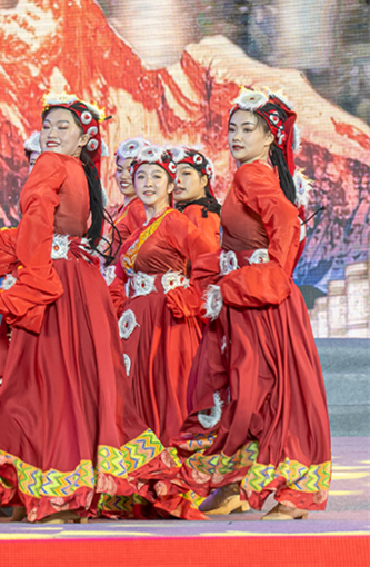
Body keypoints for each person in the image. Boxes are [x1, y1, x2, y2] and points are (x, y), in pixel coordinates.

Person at [0, 94, 178, 524]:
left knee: (42, 382)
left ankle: (53, 489)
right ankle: (65, 487)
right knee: (78, 382)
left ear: (84, 137)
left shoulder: (51, 164)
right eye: (47, 125)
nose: (51, 133)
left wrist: (32, 279)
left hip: (55, 282)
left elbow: (35, 222)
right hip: (81, 284)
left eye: (63, 126)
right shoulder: (81, 171)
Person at [180, 90, 330, 521]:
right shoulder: (256, 174)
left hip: (259, 302)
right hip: (246, 299)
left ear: (269, 138)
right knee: (242, 392)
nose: (236, 136)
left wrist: (271, 276)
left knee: (265, 394)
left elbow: (286, 223)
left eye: (248, 129)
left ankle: (290, 492)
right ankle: (234, 486)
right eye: (232, 128)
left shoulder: (251, 175)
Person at [110, 146, 215, 450]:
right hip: (138, 323)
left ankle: (173, 465)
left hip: (167, 321)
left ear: (171, 185)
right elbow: (120, 276)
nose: (148, 183)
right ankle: (146, 462)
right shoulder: (138, 232)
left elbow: (210, 258)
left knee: (168, 389)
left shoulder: (174, 222)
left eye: (156, 176)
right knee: (137, 390)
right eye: (141, 176)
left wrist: (190, 298)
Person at [171, 147, 222, 247]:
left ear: (204, 180)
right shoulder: (204, 210)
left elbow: (207, 253)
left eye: (186, 173)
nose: (177, 180)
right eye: (173, 175)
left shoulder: (197, 212)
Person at [112, 137, 152, 244]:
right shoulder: (127, 207)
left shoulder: (138, 208)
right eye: (120, 170)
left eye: (130, 171)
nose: (123, 176)